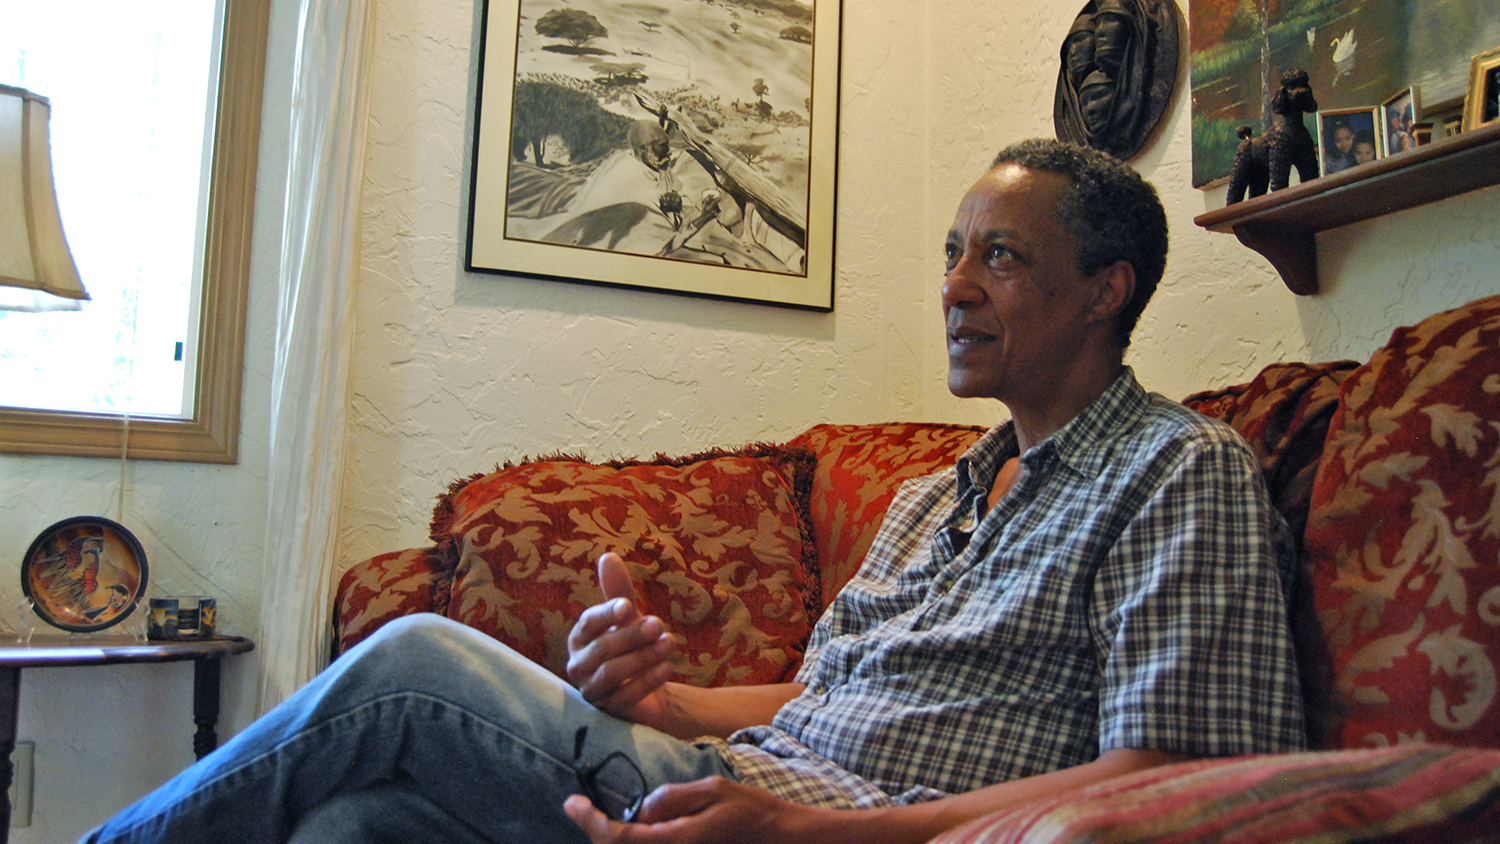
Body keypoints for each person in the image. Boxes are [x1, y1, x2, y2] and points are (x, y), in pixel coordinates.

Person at [83, 139, 1306, 844]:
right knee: (355, 829)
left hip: (836, 825)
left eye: (1000, 256)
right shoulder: (938, 494)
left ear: (1107, 291)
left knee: (416, 663)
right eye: (949, 251)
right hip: (750, 773)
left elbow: (1172, 775)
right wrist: (671, 692)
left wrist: (811, 839)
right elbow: (827, 688)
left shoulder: (1178, 471)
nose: (953, 286)